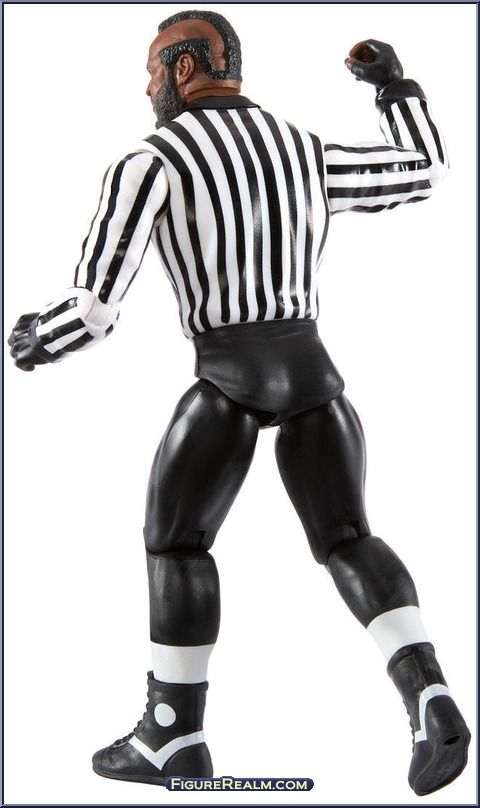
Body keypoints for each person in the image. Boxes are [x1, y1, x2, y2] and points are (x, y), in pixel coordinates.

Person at [8, 9, 470, 796]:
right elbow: (424, 170)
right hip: (316, 378)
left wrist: (30, 341)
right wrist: (394, 89)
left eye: (154, 68)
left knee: (176, 544)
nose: (148, 85)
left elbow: (93, 311)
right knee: (349, 538)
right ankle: (429, 695)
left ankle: (171, 733)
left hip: (226, 380)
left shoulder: (152, 161)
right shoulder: (302, 150)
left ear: (186, 68)